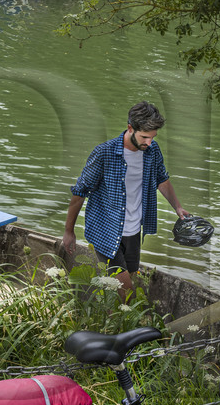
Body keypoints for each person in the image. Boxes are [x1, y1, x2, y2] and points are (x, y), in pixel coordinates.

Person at [61, 101, 188, 297]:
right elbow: (80, 192)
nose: (149, 142)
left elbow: (162, 179)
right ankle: (123, 325)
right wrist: (69, 231)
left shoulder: (152, 152)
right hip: (106, 231)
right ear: (130, 128)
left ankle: (113, 322)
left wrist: (178, 208)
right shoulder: (104, 153)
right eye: (145, 137)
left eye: (153, 137)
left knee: (129, 285)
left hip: (133, 231)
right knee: (126, 291)